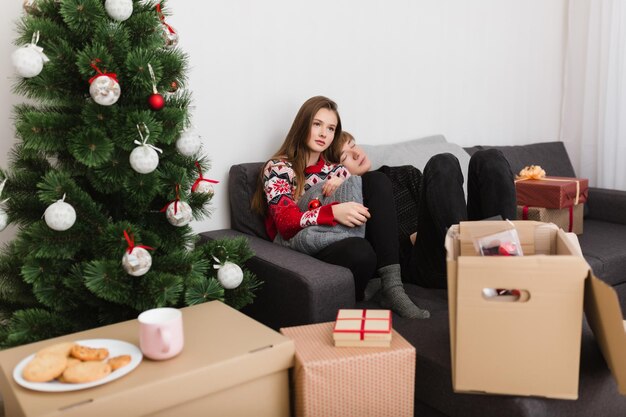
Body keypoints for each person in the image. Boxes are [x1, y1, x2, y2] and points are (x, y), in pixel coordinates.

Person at [251, 96, 429, 318]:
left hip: (339, 238)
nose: (324, 133)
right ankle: (368, 290)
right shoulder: (278, 167)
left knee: (375, 183)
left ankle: (393, 287)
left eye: (331, 128)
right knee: (360, 252)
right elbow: (286, 223)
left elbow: (362, 207)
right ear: (302, 124)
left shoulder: (337, 170)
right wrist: (332, 211)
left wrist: (344, 182)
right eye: (317, 124)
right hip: (300, 245)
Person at [338, 131, 516, 289]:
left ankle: (505, 258)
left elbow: (439, 205)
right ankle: (467, 259)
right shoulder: (350, 201)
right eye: (344, 156)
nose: (356, 153)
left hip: (453, 238)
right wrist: (411, 239)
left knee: (489, 158)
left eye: (353, 144)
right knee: (441, 162)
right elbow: (375, 257)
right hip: (423, 261)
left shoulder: (404, 173)